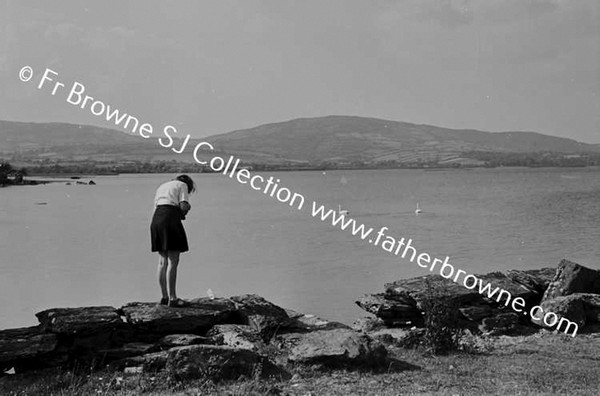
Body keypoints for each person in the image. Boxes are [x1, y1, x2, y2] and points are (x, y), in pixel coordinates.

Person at [150, 174, 195, 307]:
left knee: (162, 262)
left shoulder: (162, 187)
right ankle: (173, 298)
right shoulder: (183, 185)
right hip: (170, 219)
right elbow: (183, 206)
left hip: (156, 220)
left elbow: (157, 207)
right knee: (173, 261)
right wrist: (187, 209)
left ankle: (164, 296)